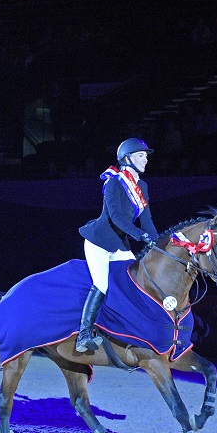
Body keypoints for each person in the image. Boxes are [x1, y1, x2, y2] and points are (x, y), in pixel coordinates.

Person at [76, 138, 159, 352]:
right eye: (141, 155)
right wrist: (140, 236)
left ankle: (129, 330)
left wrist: (159, 244)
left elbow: (147, 220)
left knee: (136, 281)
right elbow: (116, 218)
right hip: (99, 242)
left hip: (120, 243)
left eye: (146, 156)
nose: (146, 159)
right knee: (102, 285)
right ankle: (84, 335)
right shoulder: (113, 181)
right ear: (127, 158)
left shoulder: (142, 186)